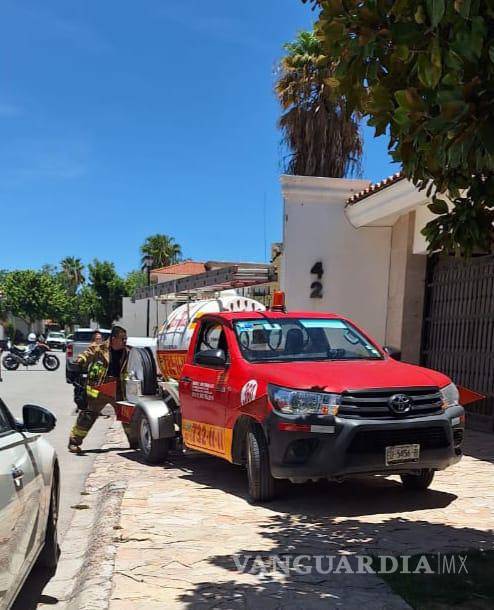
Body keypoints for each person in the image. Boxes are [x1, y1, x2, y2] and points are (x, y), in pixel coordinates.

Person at [68, 325, 135, 453]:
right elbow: (87, 354)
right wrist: (80, 361)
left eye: (126, 339)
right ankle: (74, 442)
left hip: (119, 388)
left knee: (127, 416)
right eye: (123, 339)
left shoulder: (128, 351)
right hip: (100, 388)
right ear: (114, 338)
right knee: (88, 416)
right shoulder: (100, 349)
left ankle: (135, 443)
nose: (125, 341)